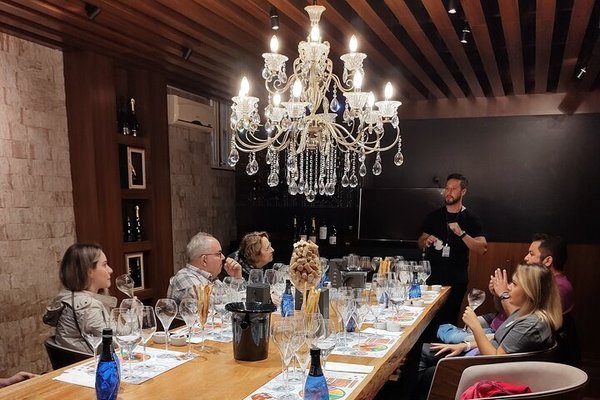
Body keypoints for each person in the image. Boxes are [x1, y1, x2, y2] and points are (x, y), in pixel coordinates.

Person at [416, 263, 562, 399]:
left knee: (429, 372)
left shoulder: (532, 325)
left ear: (531, 293)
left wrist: (476, 326)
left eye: (514, 284)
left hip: (481, 371)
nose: (508, 287)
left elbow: (496, 359)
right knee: (421, 350)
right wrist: (464, 346)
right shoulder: (524, 313)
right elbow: (496, 341)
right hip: (477, 359)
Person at [437, 233, 573, 343]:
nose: (526, 258)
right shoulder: (540, 280)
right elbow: (501, 309)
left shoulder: (558, 288)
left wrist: (503, 293)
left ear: (548, 260)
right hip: (498, 322)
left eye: (531, 254)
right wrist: (497, 294)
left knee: (443, 331)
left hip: (504, 333)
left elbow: (520, 322)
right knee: (447, 329)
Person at [418, 173, 487, 328]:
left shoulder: (471, 219)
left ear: (463, 192)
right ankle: (425, 350)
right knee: (426, 319)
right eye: (447, 188)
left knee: (447, 319)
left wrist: (462, 234)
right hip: (432, 277)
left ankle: (444, 350)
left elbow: (482, 248)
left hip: (456, 279)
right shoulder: (434, 216)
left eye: (453, 189)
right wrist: (426, 241)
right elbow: (420, 242)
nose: (448, 192)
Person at [43, 243, 117, 354]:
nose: (110, 270)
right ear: (89, 271)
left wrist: (132, 315)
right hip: (91, 367)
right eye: (104, 265)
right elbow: (115, 346)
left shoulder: (71, 297)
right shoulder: (87, 306)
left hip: (79, 365)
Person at [167, 232, 242, 305]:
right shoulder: (184, 277)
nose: (223, 257)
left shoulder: (212, 279)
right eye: (218, 254)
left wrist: (236, 277)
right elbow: (208, 305)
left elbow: (236, 301)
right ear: (204, 260)